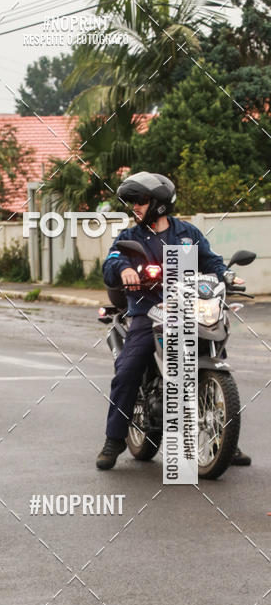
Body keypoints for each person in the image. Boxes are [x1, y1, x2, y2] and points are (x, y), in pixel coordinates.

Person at [96, 171, 251, 470]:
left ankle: (224, 442)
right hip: (147, 312)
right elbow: (112, 261)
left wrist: (227, 275)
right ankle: (114, 439)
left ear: (159, 203)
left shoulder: (187, 234)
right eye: (133, 202)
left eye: (141, 201)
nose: (135, 207)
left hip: (189, 310)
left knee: (216, 352)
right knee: (128, 370)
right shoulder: (130, 238)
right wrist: (124, 270)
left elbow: (211, 261)